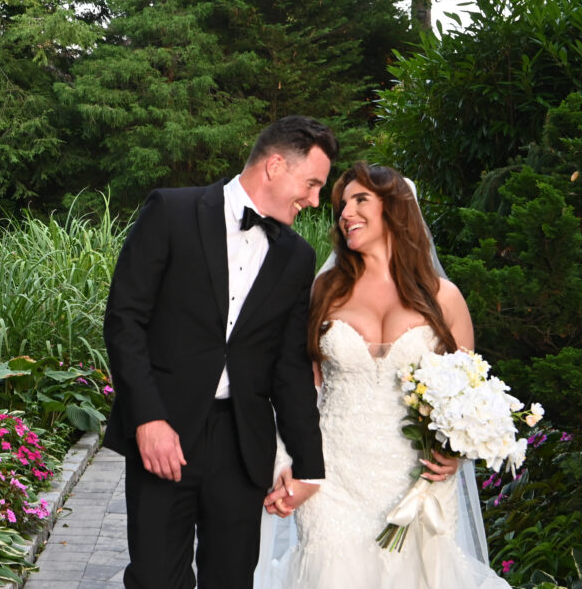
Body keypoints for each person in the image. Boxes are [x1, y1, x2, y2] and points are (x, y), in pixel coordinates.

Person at [103, 115, 339, 589]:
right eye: (312, 184)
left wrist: (309, 466)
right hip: (163, 435)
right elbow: (125, 320)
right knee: (154, 579)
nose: (315, 200)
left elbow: (290, 367)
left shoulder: (296, 256)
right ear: (275, 165)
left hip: (241, 444)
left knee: (231, 580)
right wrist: (147, 418)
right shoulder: (171, 211)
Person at [254, 162, 510, 588]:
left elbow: (470, 396)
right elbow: (300, 385)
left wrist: (456, 453)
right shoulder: (326, 290)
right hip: (331, 474)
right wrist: (286, 461)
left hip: (414, 477)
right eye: (341, 205)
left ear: (394, 209)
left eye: (360, 200)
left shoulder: (443, 298)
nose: (345, 213)